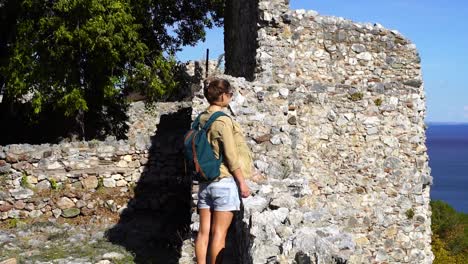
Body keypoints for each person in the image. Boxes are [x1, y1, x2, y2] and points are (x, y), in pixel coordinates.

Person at [195, 78, 252, 264]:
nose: (231, 97)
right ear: (222, 96)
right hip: (223, 183)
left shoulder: (200, 119)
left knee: (203, 233)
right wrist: (242, 183)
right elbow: (231, 155)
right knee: (219, 234)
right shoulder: (223, 121)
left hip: (204, 183)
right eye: (230, 94)